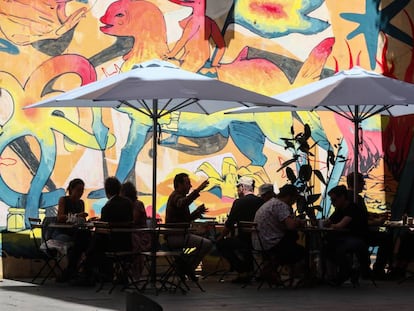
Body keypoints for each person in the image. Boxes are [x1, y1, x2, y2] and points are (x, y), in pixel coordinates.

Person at [79, 177, 133, 285]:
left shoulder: (107, 207)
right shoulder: (128, 203)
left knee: (91, 242)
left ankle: (86, 271)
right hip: (127, 243)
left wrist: (95, 223)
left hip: (112, 244)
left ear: (107, 191)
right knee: (94, 242)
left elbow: (102, 228)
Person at [216, 176, 264, 283]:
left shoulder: (239, 202)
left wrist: (220, 237)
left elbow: (229, 224)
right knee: (244, 246)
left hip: (245, 239)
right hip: (260, 239)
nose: (237, 190)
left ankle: (242, 270)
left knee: (221, 244)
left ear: (242, 187)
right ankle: (249, 270)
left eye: (238, 187)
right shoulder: (261, 201)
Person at [165, 172, 213, 280]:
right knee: (207, 244)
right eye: (187, 183)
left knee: (204, 243)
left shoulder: (176, 196)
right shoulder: (176, 197)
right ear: (179, 184)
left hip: (177, 236)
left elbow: (184, 219)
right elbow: (182, 203)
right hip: (177, 236)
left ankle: (185, 267)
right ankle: (188, 268)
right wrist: (198, 190)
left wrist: (196, 213)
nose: (190, 186)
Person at [253, 184, 305, 282]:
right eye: (294, 199)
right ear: (289, 197)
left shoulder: (271, 203)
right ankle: (300, 275)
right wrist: (299, 222)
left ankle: (271, 268)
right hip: (271, 244)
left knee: (292, 237)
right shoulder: (280, 205)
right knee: (300, 250)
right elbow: (291, 226)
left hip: (260, 243)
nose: (294, 203)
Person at [346, 172, 393, 279]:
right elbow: (361, 220)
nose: (364, 185)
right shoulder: (356, 199)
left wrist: (376, 215)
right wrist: (378, 221)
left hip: (352, 233)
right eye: (362, 182)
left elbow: (362, 215)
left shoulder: (348, 197)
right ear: (356, 183)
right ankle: (378, 270)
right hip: (360, 234)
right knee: (386, 238)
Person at [324, 185, 370, 285]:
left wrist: (329, 225)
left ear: (342, 197)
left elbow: (340, 225)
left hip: (358, 239)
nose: (332, 203)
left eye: (334, 200)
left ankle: (345, 272)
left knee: (336, 248)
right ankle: (337, 274)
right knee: (326, 247)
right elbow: (329, 222)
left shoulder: (352, 208)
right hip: (346, 238)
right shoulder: (339, 210)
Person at [53, 178, 90, 282]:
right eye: (78, 190)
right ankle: (74, 270)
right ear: (71, 189)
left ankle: (72, 270)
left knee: (84, 239)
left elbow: (81, 221)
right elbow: (60, 217)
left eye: (82, 190)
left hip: (76, 232)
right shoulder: (63, 200)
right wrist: (77, 215)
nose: (81, 193)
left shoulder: (81, 203)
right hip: (62, 232)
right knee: (81, 242)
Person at [120, 181, 151, 279]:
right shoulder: (129, 205)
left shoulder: (137, 204)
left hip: (140, 235)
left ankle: (129, 272)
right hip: (131, 234)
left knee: (131, 240)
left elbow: (133, 220)